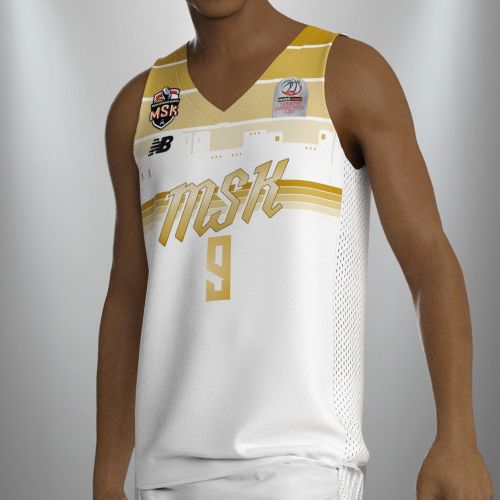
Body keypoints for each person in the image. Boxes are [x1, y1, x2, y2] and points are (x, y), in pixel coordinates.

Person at [92, 1, 494, 499]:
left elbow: (428, 259)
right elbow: (129, 297)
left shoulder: (347, 73)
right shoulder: (138, 108)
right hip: (164, 477)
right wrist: (107, 478)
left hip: (304, 467)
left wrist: (457, 436)